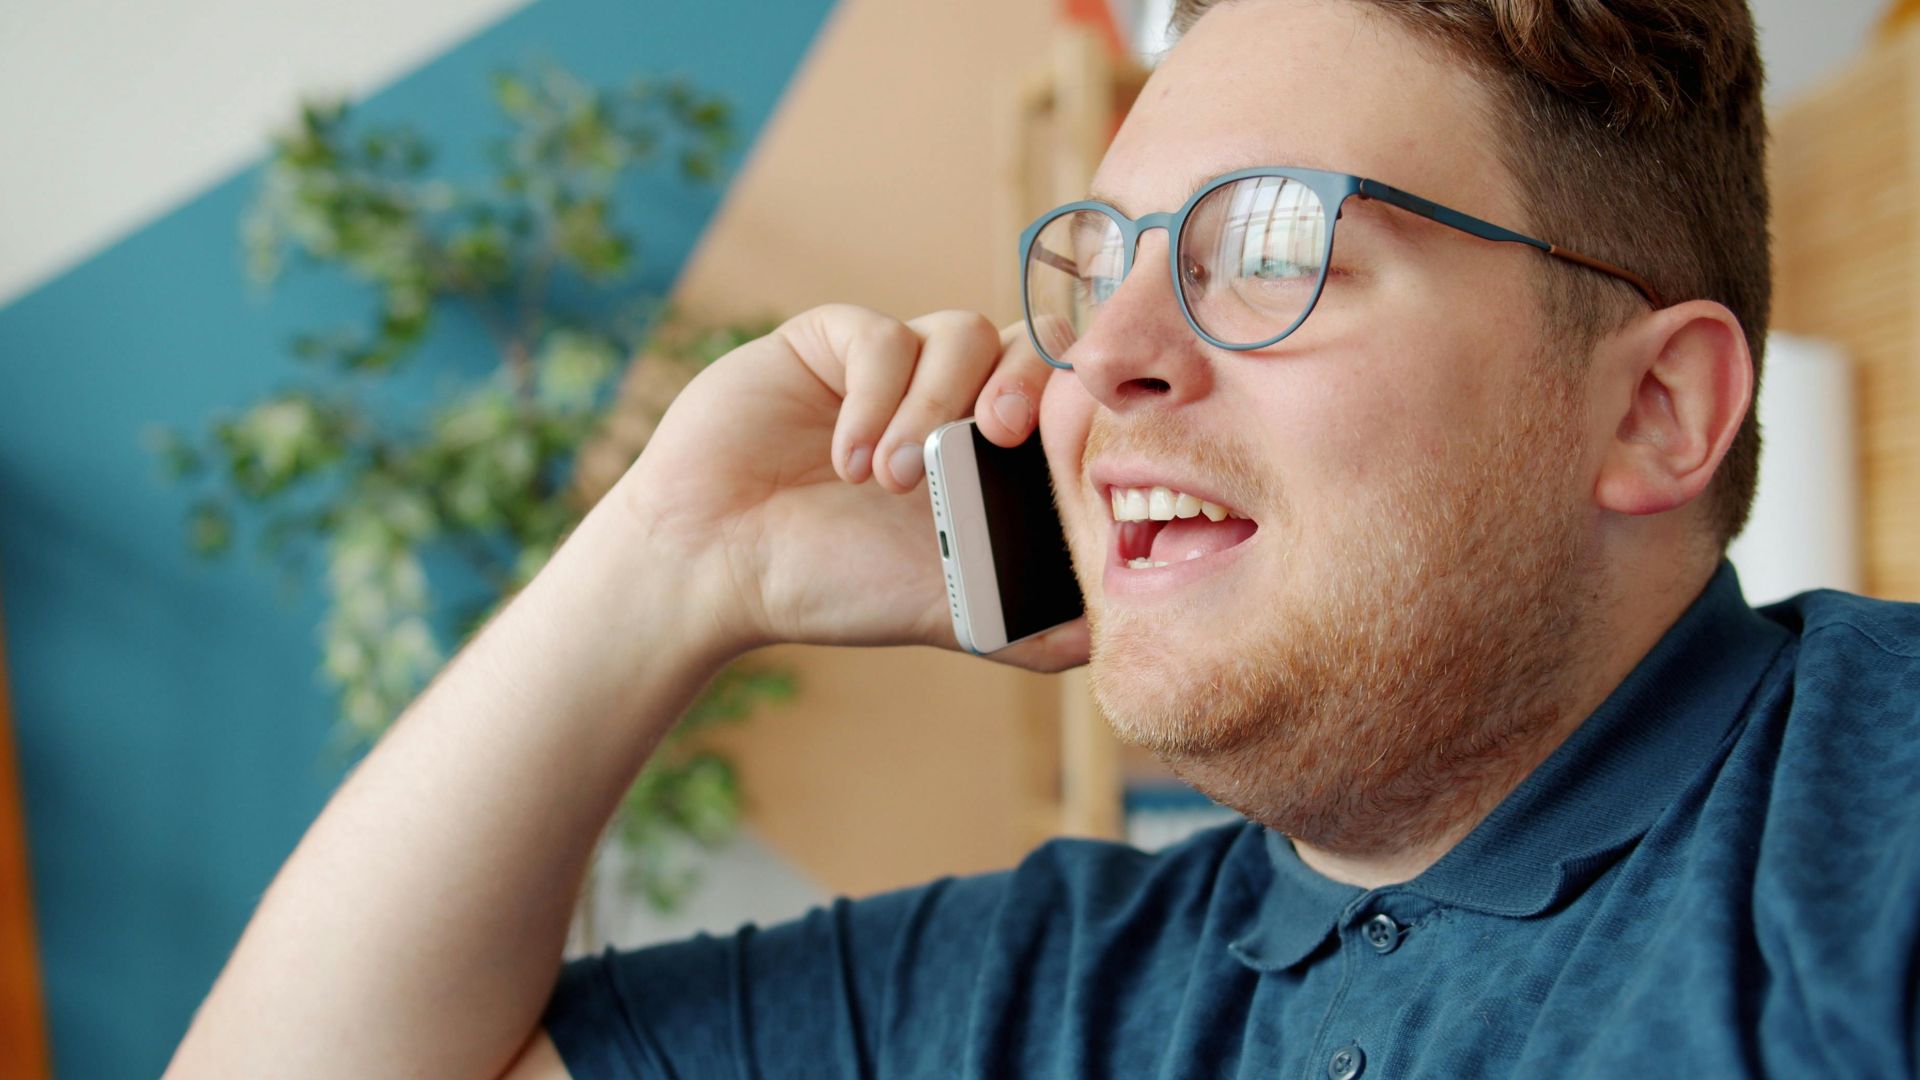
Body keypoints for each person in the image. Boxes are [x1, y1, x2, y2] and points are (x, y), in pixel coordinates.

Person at [166, 0, 1920, 1076]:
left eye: (1271, 248)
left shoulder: (1872, 825)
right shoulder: (1036, 993)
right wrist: (672, 566)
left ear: (1652, 413)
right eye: (1096, 265)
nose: (1103, 364)